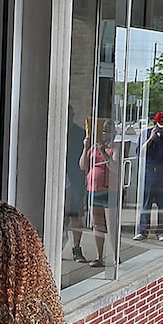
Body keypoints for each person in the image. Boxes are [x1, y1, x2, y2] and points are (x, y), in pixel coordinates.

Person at [80, 127, 118, 268]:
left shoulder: (115, 149)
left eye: (107, 131)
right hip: (93, 190)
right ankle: (99, 256)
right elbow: (83, 166)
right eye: (102, 131)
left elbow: (114, 167)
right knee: (97, 224)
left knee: (111, 225)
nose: (104, 134)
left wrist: (103, 151)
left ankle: (115, 256)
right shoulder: (93, 149)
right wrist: (86, 147)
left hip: (109, 191)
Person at [135, 111, 163, 241]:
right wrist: (151, 138)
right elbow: (140, 152)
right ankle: (143, 230)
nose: (162, 128)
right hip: (150, 173)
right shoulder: (146, 133)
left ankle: (161, 231)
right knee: (146, 203)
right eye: (160, 125)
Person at [64, 105, 88, 262]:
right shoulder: (54, 131)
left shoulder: (80, 133)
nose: (69, 117)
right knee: (60, 214)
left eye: (70, 114)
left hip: (75, 178)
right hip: (58, 178)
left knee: (75, 214)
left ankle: (76, 248)